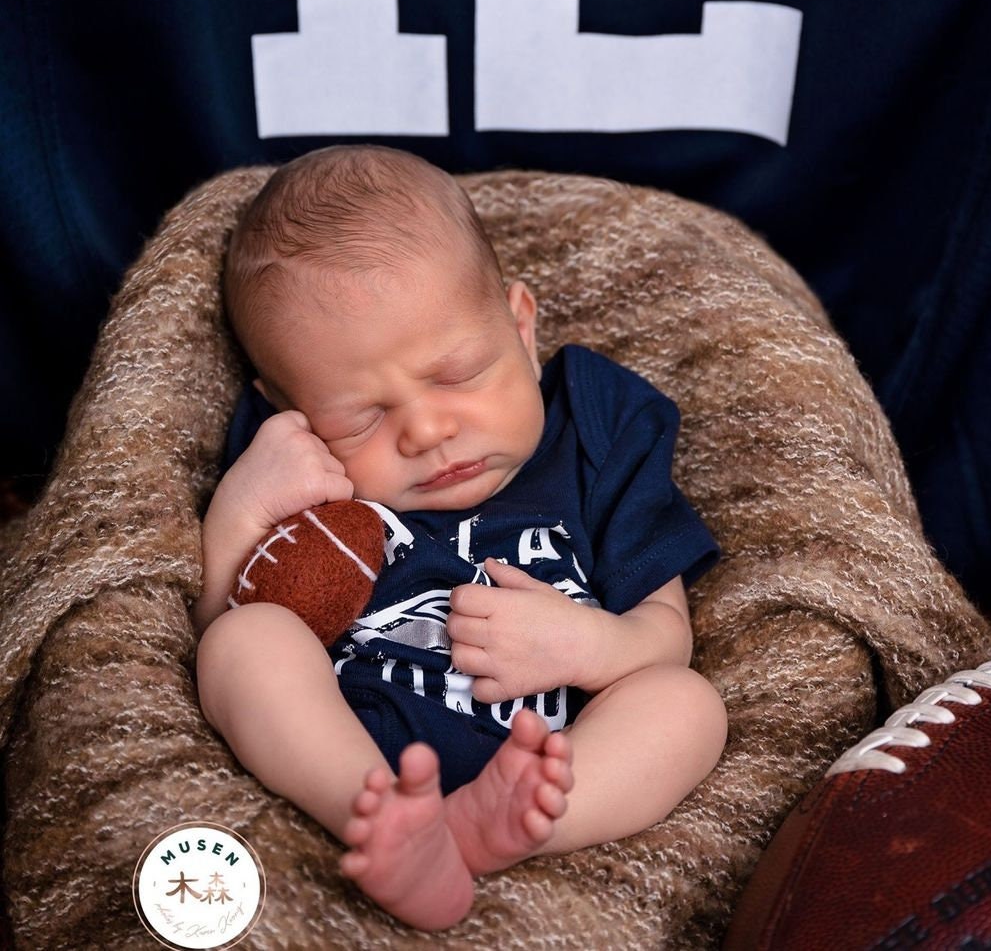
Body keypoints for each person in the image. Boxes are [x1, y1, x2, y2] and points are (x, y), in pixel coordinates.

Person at [192, 145, 728, 932]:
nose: (428, 431)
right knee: (242, 642)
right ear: (288, 408)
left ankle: (500, 834)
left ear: (520, 323)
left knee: (687, 706)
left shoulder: (596, 426)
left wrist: (588, 645)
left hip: (552, 751)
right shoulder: (292, 461)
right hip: (358, 736)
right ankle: (381, 821)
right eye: (362, 416)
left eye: (456, 374)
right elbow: (209, 626)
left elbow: (665, 637)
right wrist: (237, 513)